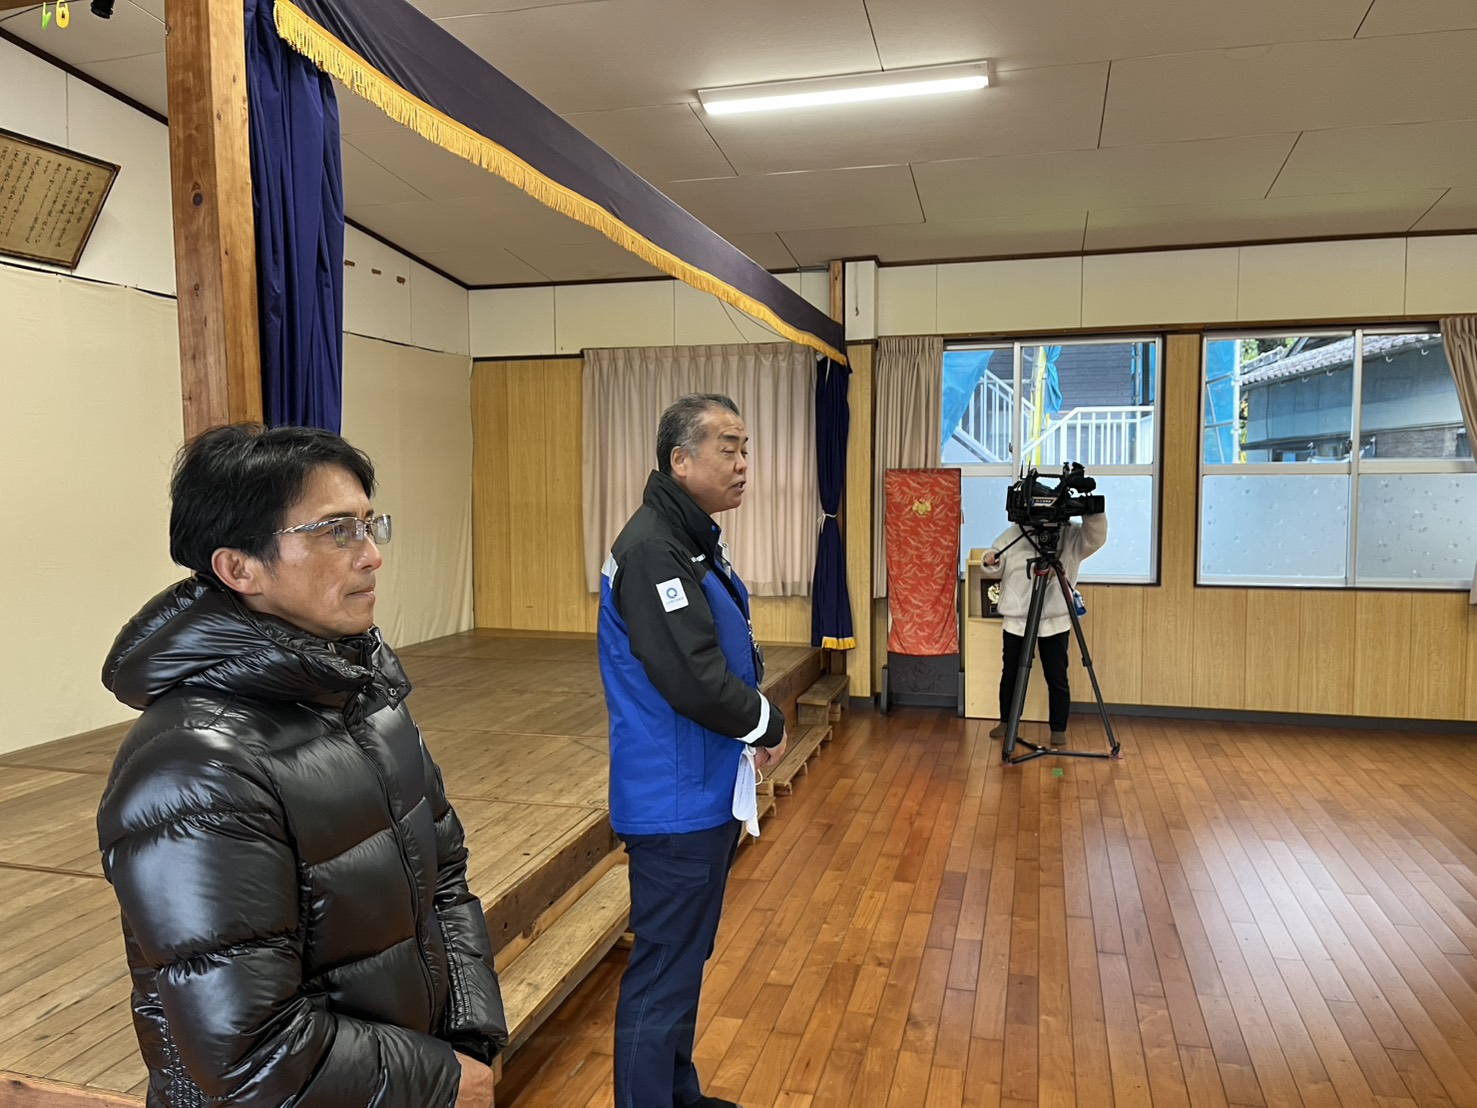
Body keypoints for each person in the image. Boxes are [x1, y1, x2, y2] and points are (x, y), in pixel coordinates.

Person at [96, 424, 506, 1108]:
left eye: (370, 525)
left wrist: (467, 1037)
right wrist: (442, 1079)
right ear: (240, 568)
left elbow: (445, 880)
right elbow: (249, 1053)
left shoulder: (366, 698)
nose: (371, 555)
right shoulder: (195, 767)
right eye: (337, 531)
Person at [598, 393, 788, 1108]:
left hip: (698, 787)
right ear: (681, 460)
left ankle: (676, 1094)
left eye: (745, 449)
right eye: (728, 448)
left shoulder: (685, 537)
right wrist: (766, 723)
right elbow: (692, 676)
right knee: (663, 970)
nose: (743, 464)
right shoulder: (654, 549)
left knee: (682, 962)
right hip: (672, 797)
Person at [983, 511, 1107, 745]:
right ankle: (1007, 721)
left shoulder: (1070, 534)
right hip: (1018, 620)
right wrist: (991, 560)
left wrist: (1093, 513)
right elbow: (995, 562)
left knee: (1057, 677)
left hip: (1054, 620)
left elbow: (1095, 539)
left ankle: (1058, 728)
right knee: (1011, 675)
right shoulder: (1014, 534)